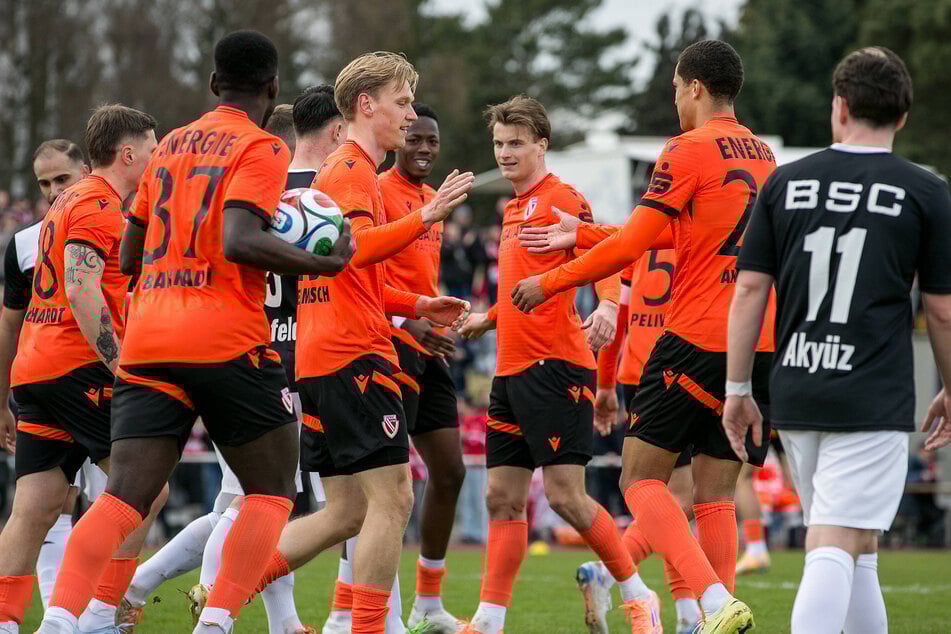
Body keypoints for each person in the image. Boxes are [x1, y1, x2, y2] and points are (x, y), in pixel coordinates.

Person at [32, 30, 355, 634]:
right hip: (225, 337)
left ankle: (59, 623)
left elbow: (128, 253)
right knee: (270, 491)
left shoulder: (173, 143)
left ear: (213, 84)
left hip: (151, 338)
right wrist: (324, 261)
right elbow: (239, 239)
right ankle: (216, 623)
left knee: (120, 499)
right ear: (273, 88)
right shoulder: (262, 148)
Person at [511, 40, 778, 633]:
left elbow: (633, 246)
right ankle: (718, 613)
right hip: (757, 341)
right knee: (716, 494)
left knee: (639, 478)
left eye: (677, 89)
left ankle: (711, 600)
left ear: (696, 89)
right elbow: (668, 234)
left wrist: (553, 281)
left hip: (697, 337)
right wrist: (581, 233)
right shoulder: (763, 154)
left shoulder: (686, 149)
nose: (675, 100)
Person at [723, 46, 951, 634]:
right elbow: (942, 312)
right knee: (833, 540)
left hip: (797, 385)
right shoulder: (925, 191)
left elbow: (749, 291)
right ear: (902, 116)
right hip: (870, 393)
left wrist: (739, 387)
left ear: (840, 106)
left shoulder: (785, 183)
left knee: (858, 546)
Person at [249, 51, 472, 634]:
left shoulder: (348, 170)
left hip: (326, 353)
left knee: (345, 513)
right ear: (366, 106)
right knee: (393, 500)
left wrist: (418, 304)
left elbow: (354, 272)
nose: (408, 115)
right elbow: (361, 248)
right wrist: (427, 217)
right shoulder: (353, 171)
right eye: (401, 102)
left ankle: (226, 589)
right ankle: (370, 628)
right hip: (352, 355)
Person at [457, 95, 660, 634]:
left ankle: (640, 599)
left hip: (556, 367)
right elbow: (525, 292)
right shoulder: (509, 207)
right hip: (510, 369)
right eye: (499, 143)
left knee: (566, 496)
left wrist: (612, 307)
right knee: (502, 497)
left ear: (541, 144)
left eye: (516, 143)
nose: (505, 153)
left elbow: (607, 253)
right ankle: (488, 620)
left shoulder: (561, 196)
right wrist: (488, 318)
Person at [0, 105, 164, 634]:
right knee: (147, 485)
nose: (158, 156)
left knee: (36, 505)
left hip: (36, 368)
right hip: (79, 367)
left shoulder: (67, 201)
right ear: (129, 153)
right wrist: (120, 367)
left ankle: (6, 622)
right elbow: (80, 285)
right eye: (153, 146)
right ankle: (93, 613)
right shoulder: (97, 203)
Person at [321, 102, 464, 634]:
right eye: (415, 135)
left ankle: (427, 603)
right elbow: (358, 267)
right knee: (376, 492)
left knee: (448, 471)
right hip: (385, 341)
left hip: (428, 345)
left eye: (432, 139)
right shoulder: (373, 185)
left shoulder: (432, 198)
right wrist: (406, 322)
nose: (423, 146)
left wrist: (432, 309)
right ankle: (347, 611)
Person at [574, 247, 704, 633]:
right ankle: (611, 571)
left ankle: (685, 614)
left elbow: (620, 316)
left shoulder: (640, 236)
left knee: (666, 498)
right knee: (681, 500)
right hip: (682, 365)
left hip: (637, 371)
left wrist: (606, 383)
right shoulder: (696, 227)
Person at [0, 139, 92, 613]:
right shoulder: (23, 243)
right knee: (139, 491)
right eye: (45, 183)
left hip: (67, 376)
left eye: (63, 178)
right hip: (78, 378)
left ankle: (65, 613)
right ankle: (88, 612)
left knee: (45, 502)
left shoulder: (110, 218)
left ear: (86, 169)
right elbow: (9, 323)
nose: (54, 191)